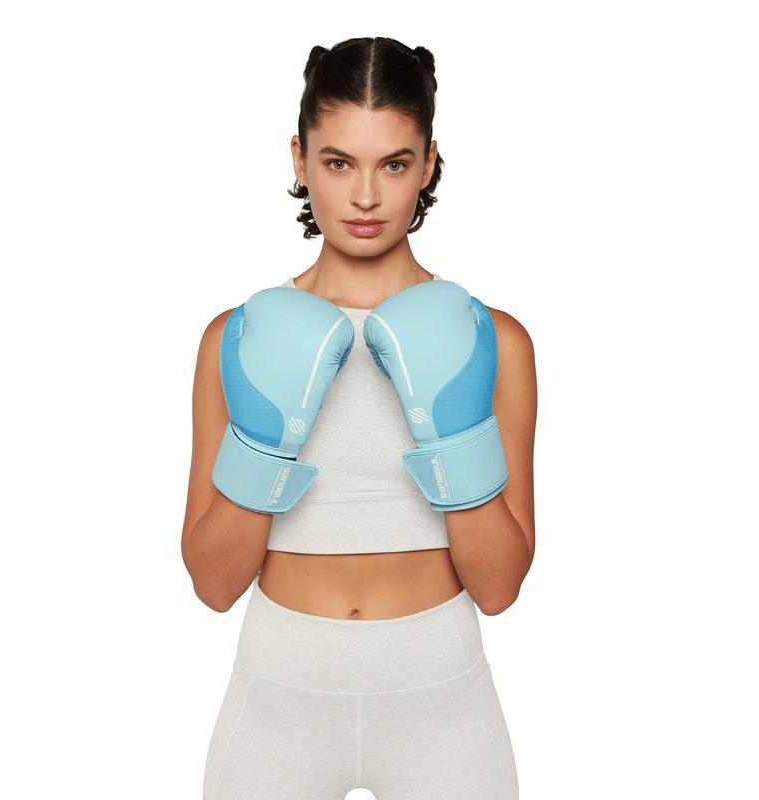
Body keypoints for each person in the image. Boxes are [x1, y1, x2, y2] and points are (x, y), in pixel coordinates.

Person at [182, 36, 537, 800]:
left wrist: (453, 432)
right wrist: (264, 442)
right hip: (278, 698)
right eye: (339, 162)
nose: (366, 196)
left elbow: (499, 587)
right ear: (300, 159)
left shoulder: (493, 340)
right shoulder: (236, 339)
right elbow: (213, 584)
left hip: (443, 700)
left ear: (429, 163)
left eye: (394, 164)